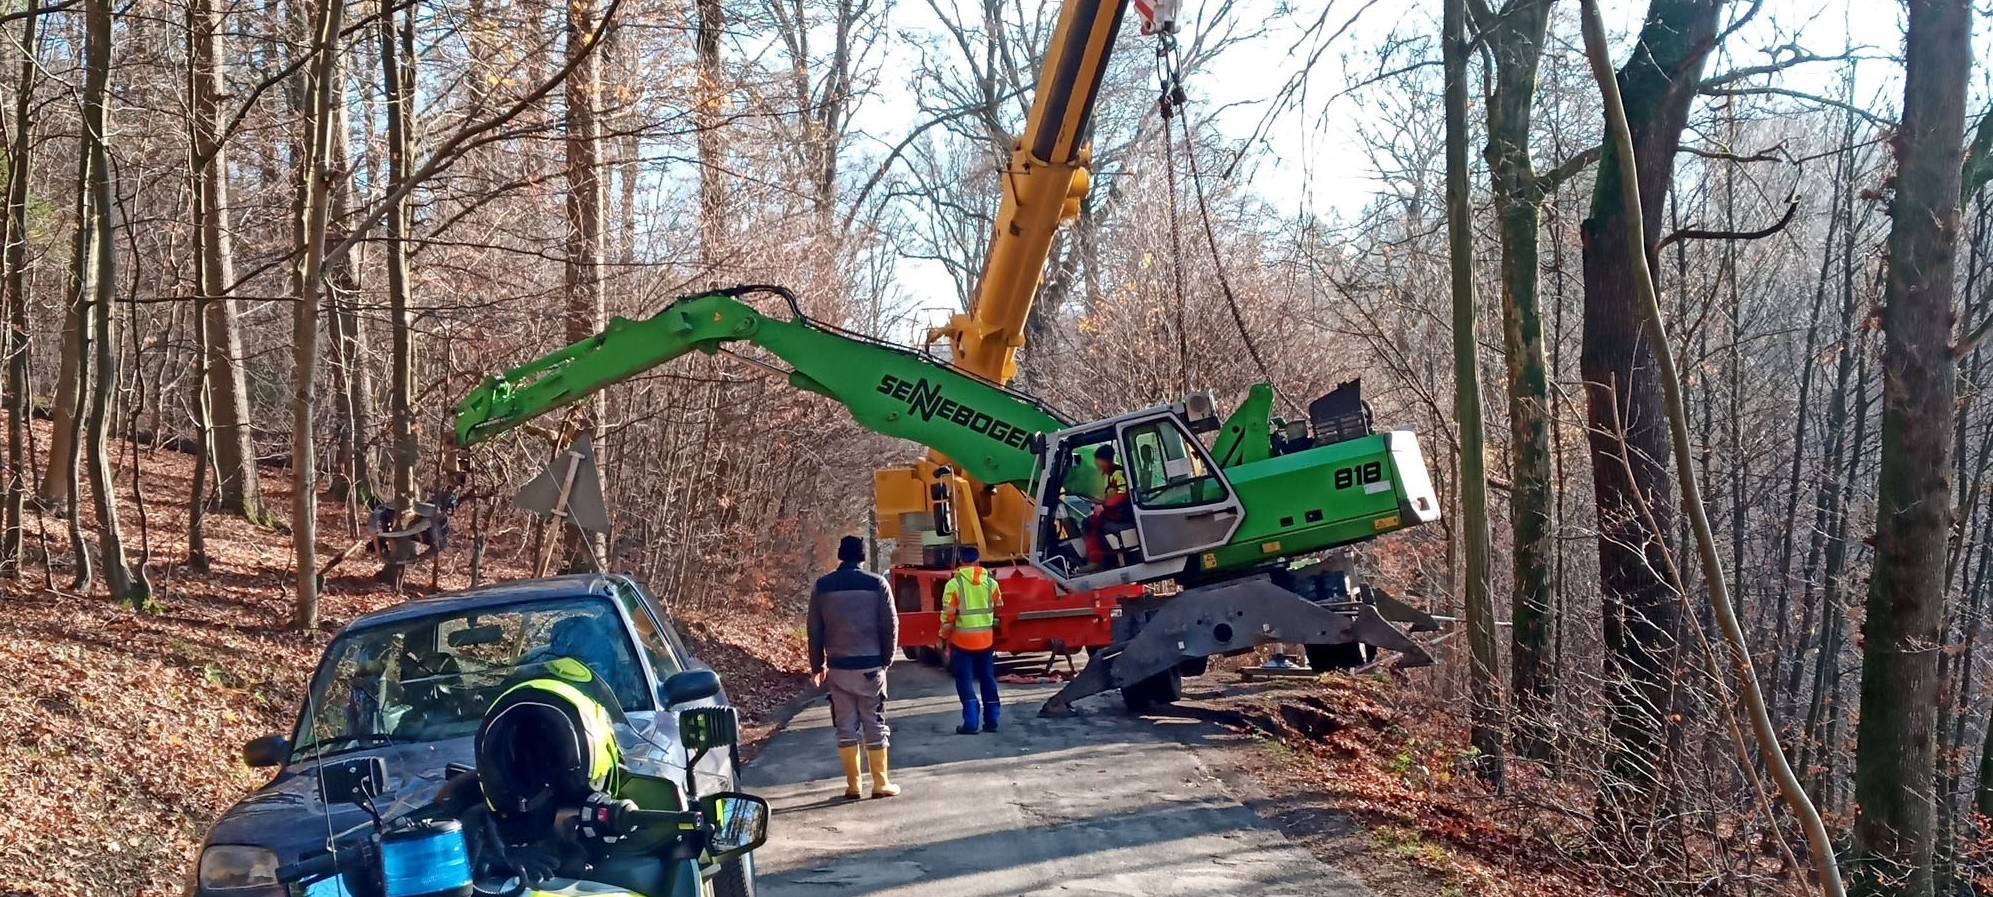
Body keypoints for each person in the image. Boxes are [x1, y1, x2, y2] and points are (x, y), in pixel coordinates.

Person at [807, 535, 901, 799]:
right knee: (874, 721)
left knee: (845, 725)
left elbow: (814, 629)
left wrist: (818, 664)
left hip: (838, 667)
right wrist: (886, 658)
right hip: (871, 665)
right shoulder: (877, 584)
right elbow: (890, 624)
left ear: (840, 555)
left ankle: (853, 785)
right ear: (862, 557)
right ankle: (881, 784)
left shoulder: (822, 586)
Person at [939, 546, 1003, 734]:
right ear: (978, 561)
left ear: (960, 561)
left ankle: (971, 723)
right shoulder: (991, 583)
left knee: (965, 681)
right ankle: (992, 721)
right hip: (986, 641)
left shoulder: (954, 585)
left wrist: (943, 637)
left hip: (962, 642)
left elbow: (948, 617)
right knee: (988, 679)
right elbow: (999, 607)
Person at [1082, 444, 1133, 566]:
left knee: (1090, 524)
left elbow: (1124, 494)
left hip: (1122, 514)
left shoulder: (1118, 473)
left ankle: (1096, 560)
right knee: (1091, 521)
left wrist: (1104, 506)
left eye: (1098, 462)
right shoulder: (1107, 475)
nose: (1097, 465)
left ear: (1105, 460)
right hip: (1114, 511)